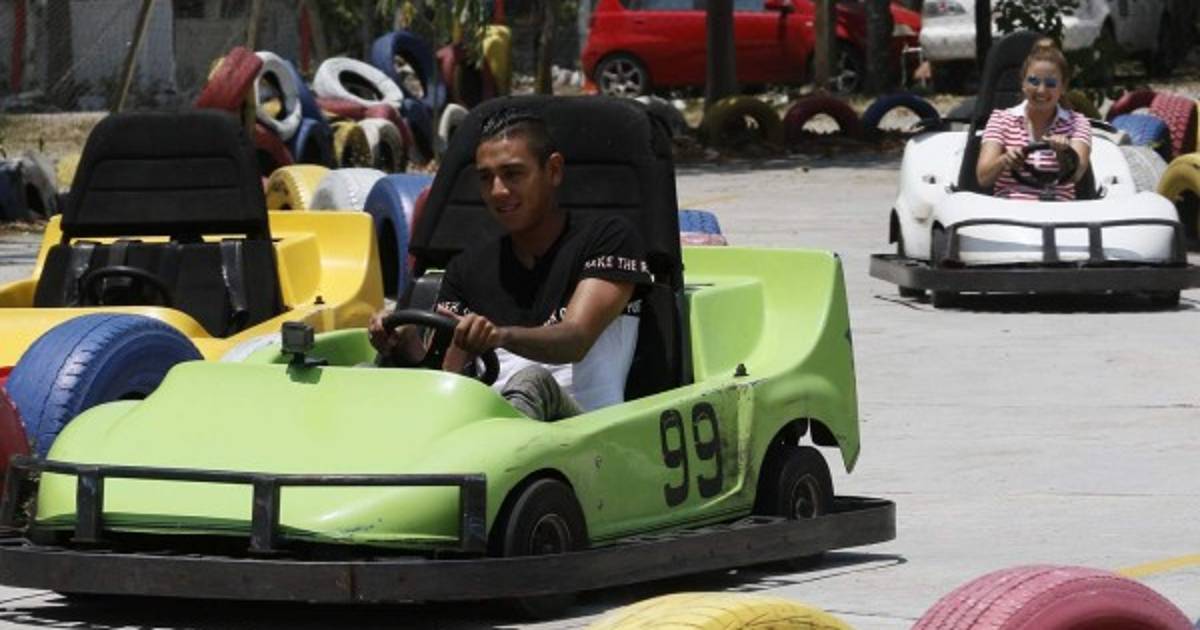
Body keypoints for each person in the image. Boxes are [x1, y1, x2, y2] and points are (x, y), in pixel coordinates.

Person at [367, 108, 652, 421]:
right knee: (364, 373)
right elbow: (446, 378)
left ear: (553, 170)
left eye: (513, 174)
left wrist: (500, 336)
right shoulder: (466, 268)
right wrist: (405, 344)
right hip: (489, 426)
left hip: (583, 427)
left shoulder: (608, 238)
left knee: (531, 382)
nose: (498, 191)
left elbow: (576, 339)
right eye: (485, 178)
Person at [976, 40, 1092, 201]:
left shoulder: (1078, 123)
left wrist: (1063, 153)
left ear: (1063, 87)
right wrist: (1005, 160)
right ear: (1023, 83)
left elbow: (1076, 175)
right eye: (1034, 81)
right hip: (1009, 209)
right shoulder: (1000, 119)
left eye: (1050, 83)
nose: (1041, 90)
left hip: (1058, 208)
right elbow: (983, 178)